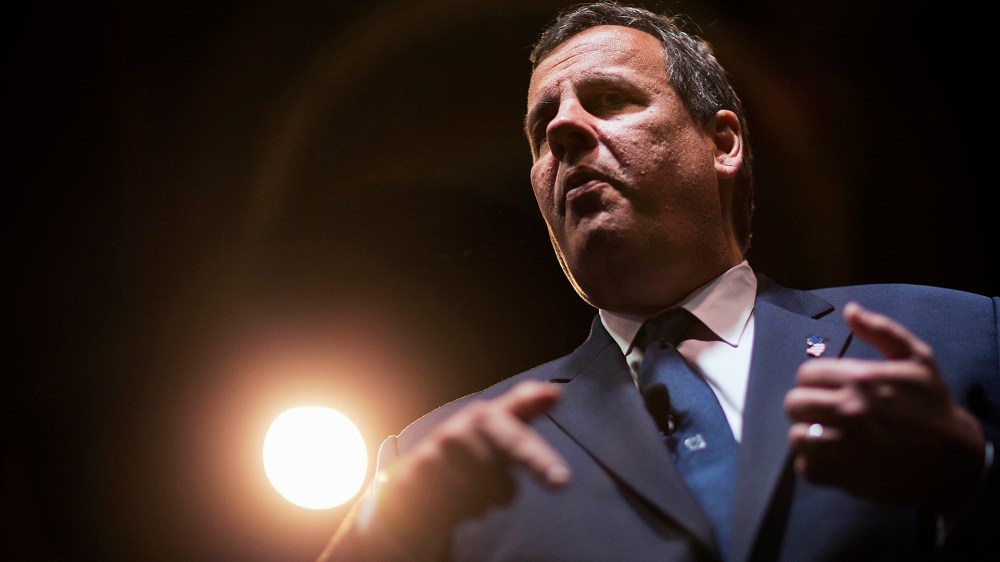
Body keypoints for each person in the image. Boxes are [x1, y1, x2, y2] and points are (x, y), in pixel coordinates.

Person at [318, 2, 998, 560]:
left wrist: (974, 476)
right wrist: (382, 535)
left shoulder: (963, 336)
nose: (564, 129)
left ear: (723, 143)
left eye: (610, 99)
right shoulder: (435, 461)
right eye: (542, 128)